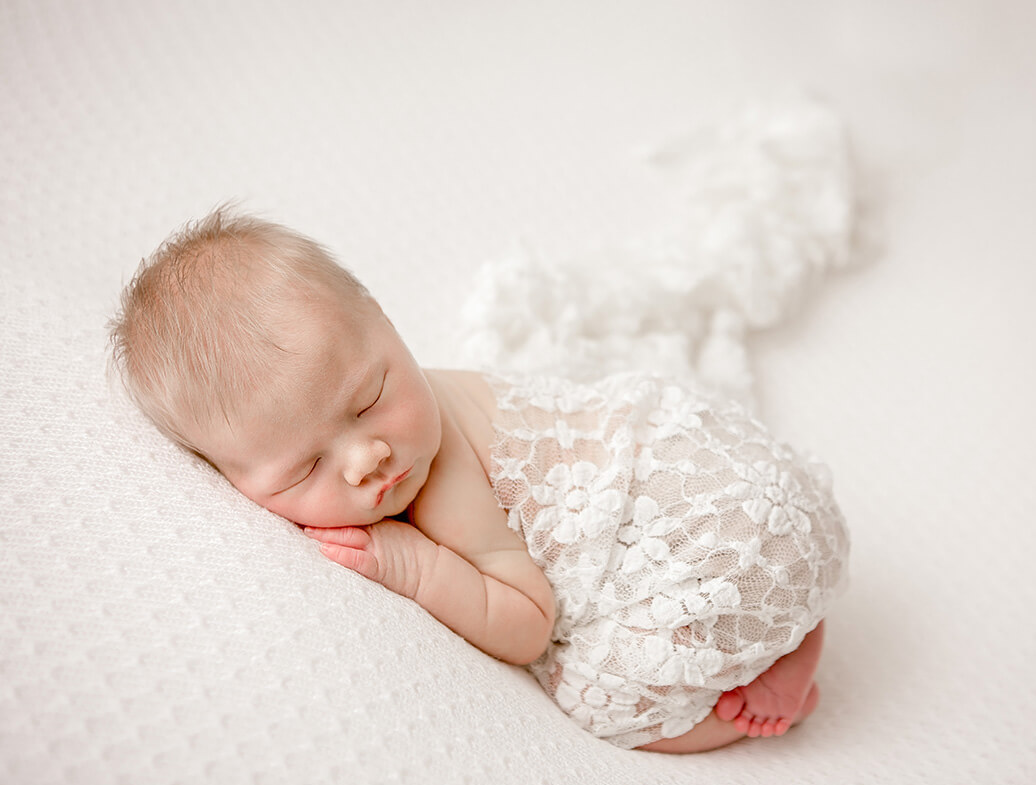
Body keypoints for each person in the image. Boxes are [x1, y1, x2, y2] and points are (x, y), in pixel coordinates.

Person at [108, 208, 850, 753]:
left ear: (384, 320)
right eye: (306, 468)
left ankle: (775, 669)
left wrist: (414, 566)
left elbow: (527, 625)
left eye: (370, 399)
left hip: (720, 528)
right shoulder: (406, 408)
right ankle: (797, 613)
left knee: (602, 701)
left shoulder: (442, 478)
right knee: (746, 567)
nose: (368, 458)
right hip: (746, 484)